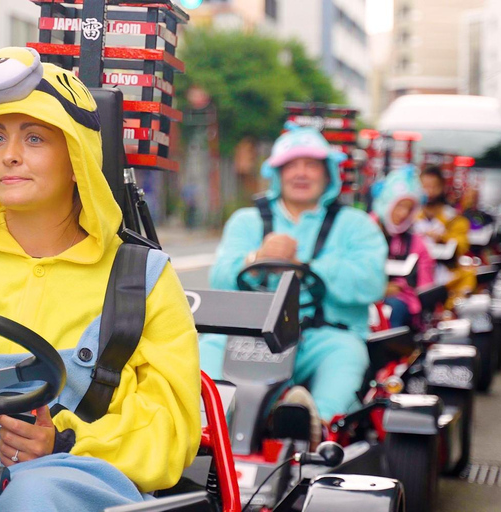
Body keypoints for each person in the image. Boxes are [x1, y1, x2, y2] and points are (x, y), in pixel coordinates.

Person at [0, 47, 200, 511]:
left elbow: (173, 432)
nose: (8, 156)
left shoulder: (143, 279)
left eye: (34, 139)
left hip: (77, 473)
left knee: (30, 497)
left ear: (78, 160)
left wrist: (64, 440)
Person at [200, 124, 387, 445]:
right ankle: (208, 430)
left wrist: (305, 268)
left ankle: (318, 426)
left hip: (323, 336)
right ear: (277, 173)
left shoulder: (356, 224)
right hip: (248, 337)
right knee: (203, 350)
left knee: (347, 355)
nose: (301, 173)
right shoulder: (247, 221)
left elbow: (371, 283)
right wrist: (256, 258)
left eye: (311, 164)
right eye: (292, 164)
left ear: (328, 174)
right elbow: (220, 278)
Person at [371, 164, 435, 328]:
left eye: (409, 208)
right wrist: (379, 289)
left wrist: (402, 288)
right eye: (399, 206)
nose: (403, 213)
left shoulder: (417, 242)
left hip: (400, 306)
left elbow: (425, 286)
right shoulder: (365, 233)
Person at [414, 165, 475, 300]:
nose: (428, 191)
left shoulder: (453, 217)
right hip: (415, 273)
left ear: (442, 188)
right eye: (424, 186)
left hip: (445, 275)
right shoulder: (410, 216)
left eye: (433, 186)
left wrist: (443, 238)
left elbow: (462, 245)